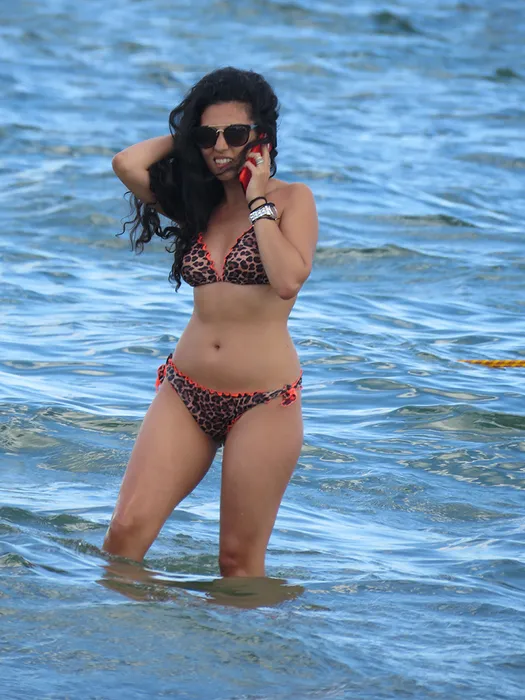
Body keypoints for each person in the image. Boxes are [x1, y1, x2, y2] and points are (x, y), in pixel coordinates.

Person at [102, 66, 318, 578]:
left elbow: (287, 279)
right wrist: (186, 138)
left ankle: (246, 636)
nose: (220, 147)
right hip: (185, 391)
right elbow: (127, 163)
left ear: (261, 138)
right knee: (124, 535)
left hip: (264, 402)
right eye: (207, 136)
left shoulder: (293, 200)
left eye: (235, 134)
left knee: (237, 564)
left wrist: (258, 198)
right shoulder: (199, 205)